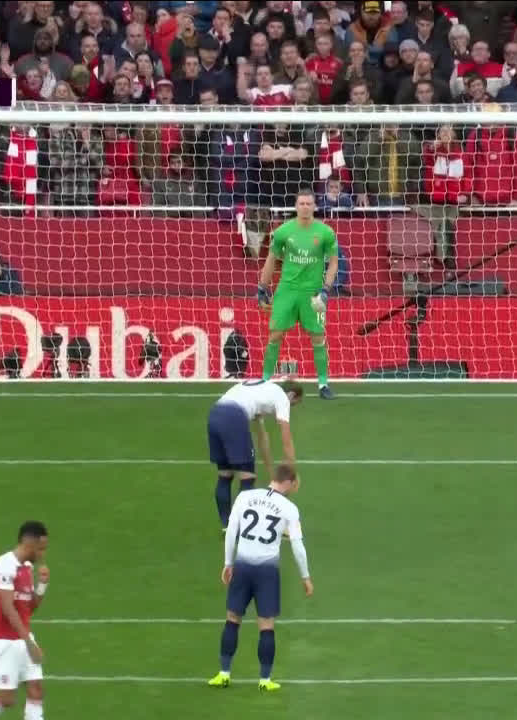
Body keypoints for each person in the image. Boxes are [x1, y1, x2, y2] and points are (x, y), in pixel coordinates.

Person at [209, 463, 313, 692]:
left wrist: (228, 563)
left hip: (242, 566)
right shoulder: (289, 508)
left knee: (232, 619)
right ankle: (265, 680)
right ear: (289, 482)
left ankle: (224, 673)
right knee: (266, 625)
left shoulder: (245, 496)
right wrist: (305, 576)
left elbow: (231, 531)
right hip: (267, 572)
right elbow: (298, 546)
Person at [257, 189, 340, 399]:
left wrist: (326, 289)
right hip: (287, 290)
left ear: (314, 206)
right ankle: (265, 381)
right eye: (301, 203)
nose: (305, 207)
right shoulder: (283, 232)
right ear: (296, 206)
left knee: (318, 337)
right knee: (275, 334)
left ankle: (323, 385)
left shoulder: (326, 232)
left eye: (308, 204)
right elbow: (271, 259)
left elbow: (333, 263)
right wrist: (262, 287)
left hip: (313, 293)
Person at [0, 521, 50, 720]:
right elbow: (7, 608)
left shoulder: (27, 568)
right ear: (29, 543)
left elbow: (28, 608)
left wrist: (42, 585)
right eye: (41, 549)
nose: (42, 554)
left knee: (36, 690)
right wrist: (29, 643)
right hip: (4, 641)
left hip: (22, 636)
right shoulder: (5, 565)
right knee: (6, 699)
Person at [208, 378, 304, 531]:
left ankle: (227, 526)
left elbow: (262, 438)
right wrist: (291, 473)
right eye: (293, 404)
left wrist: (273, 475)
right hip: (234, 417)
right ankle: (243, 526)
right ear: (291, 395)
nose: (289, 407)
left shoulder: (263, 392)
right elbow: (286, 438)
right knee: (247, 478)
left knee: (225, 475)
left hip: (215, 414)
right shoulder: (282, 397)